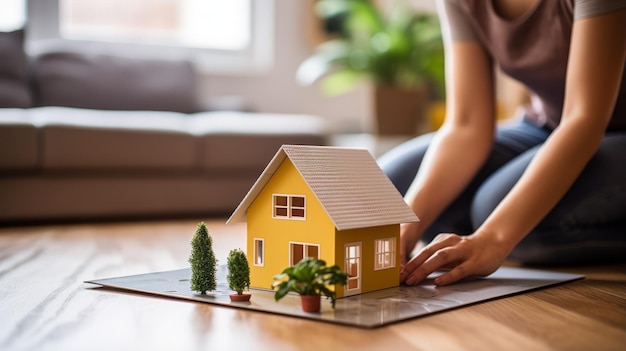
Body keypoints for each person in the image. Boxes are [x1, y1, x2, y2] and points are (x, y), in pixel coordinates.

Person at [377, 0, 626, 287]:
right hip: (546, 125)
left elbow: (584, 119)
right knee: (390, 191)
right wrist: (408, 220)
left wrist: (493, 239)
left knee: (499, 216)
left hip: (602, 128)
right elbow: (467, 124)